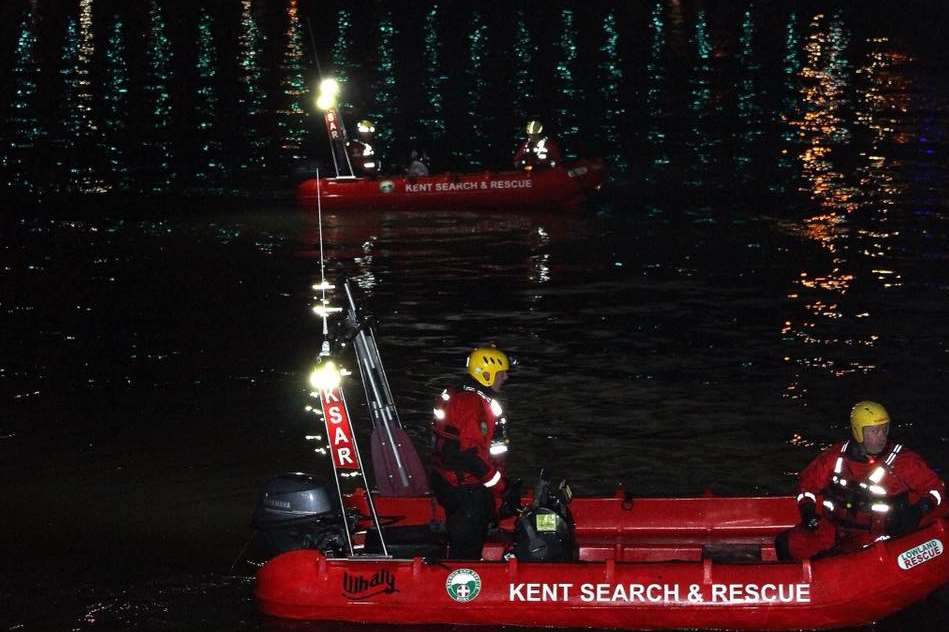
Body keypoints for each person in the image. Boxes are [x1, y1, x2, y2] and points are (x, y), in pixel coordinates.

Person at [776, 401, 945, 561]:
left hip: (876, 537)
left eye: (884, 430)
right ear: (858, 432)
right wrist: (807, 511)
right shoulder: (836, 456)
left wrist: (918, 510)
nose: (881, 438)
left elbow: (935, 489)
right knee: (787, 544)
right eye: (874, 431)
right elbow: (807, 484)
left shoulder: (903, 461)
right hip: (833, 529)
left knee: (839, 560)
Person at [431, 346, 517, 559]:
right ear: (486, 375)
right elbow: (472, 456)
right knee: (466, 551)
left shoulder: (465, 396)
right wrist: (501, 488)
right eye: (501, 373)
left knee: (466, 537)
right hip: (465, 491)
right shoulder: (471, 404)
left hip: (454, 485)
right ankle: (463, 580)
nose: (505, 377)